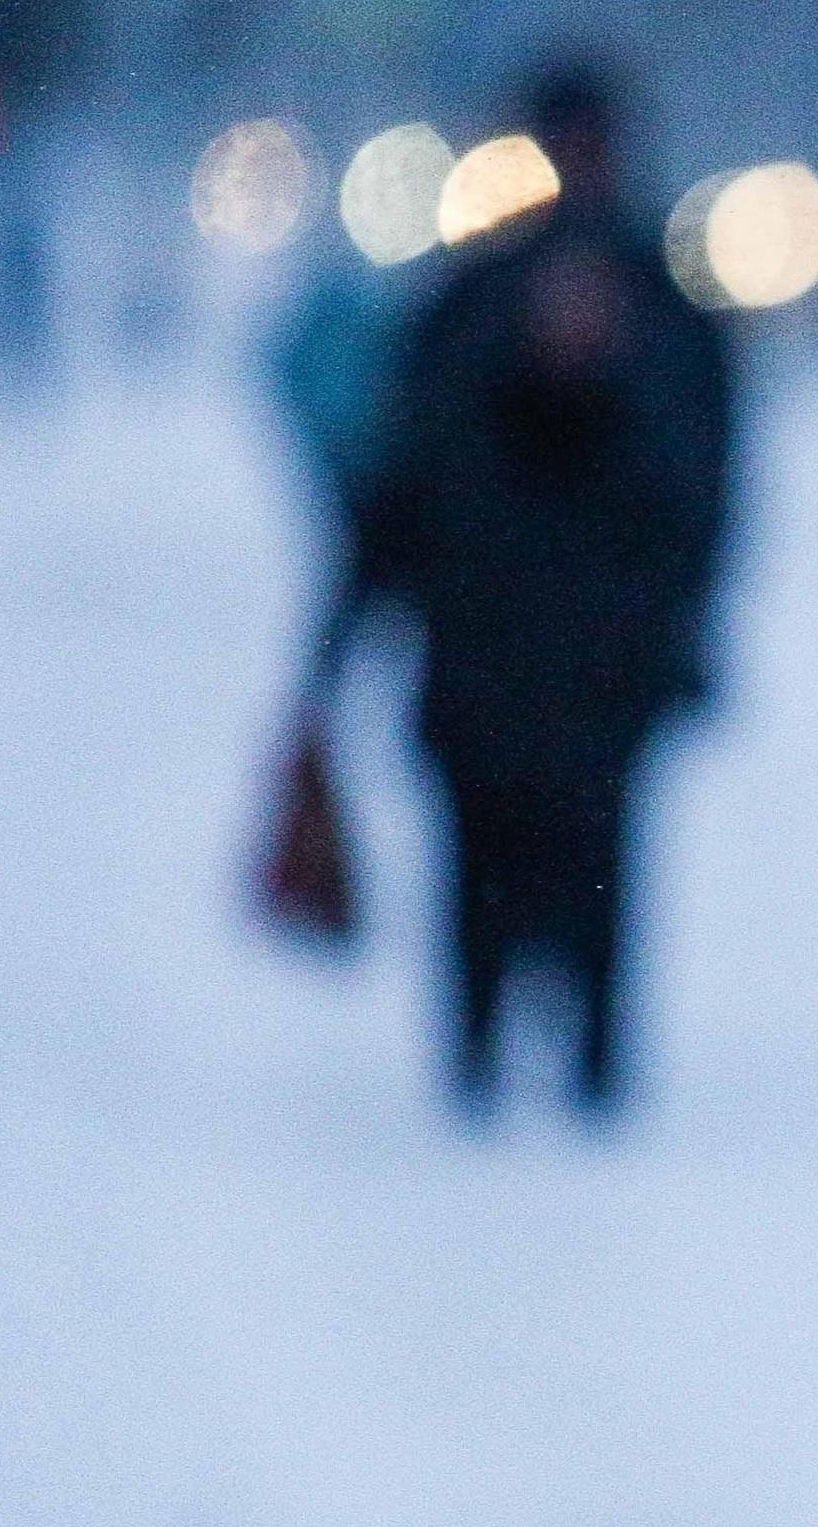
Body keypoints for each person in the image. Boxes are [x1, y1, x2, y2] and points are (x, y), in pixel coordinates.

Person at [314, 63, 736, 1120]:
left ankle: (582, 1070)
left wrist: (681, 624)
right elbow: (399, 488)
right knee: (486, 869)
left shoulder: (654, 306)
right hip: (492, 652)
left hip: (588, 659)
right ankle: (482, 1065)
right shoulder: (472, 301)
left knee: (590, 871)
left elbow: (704, 492)